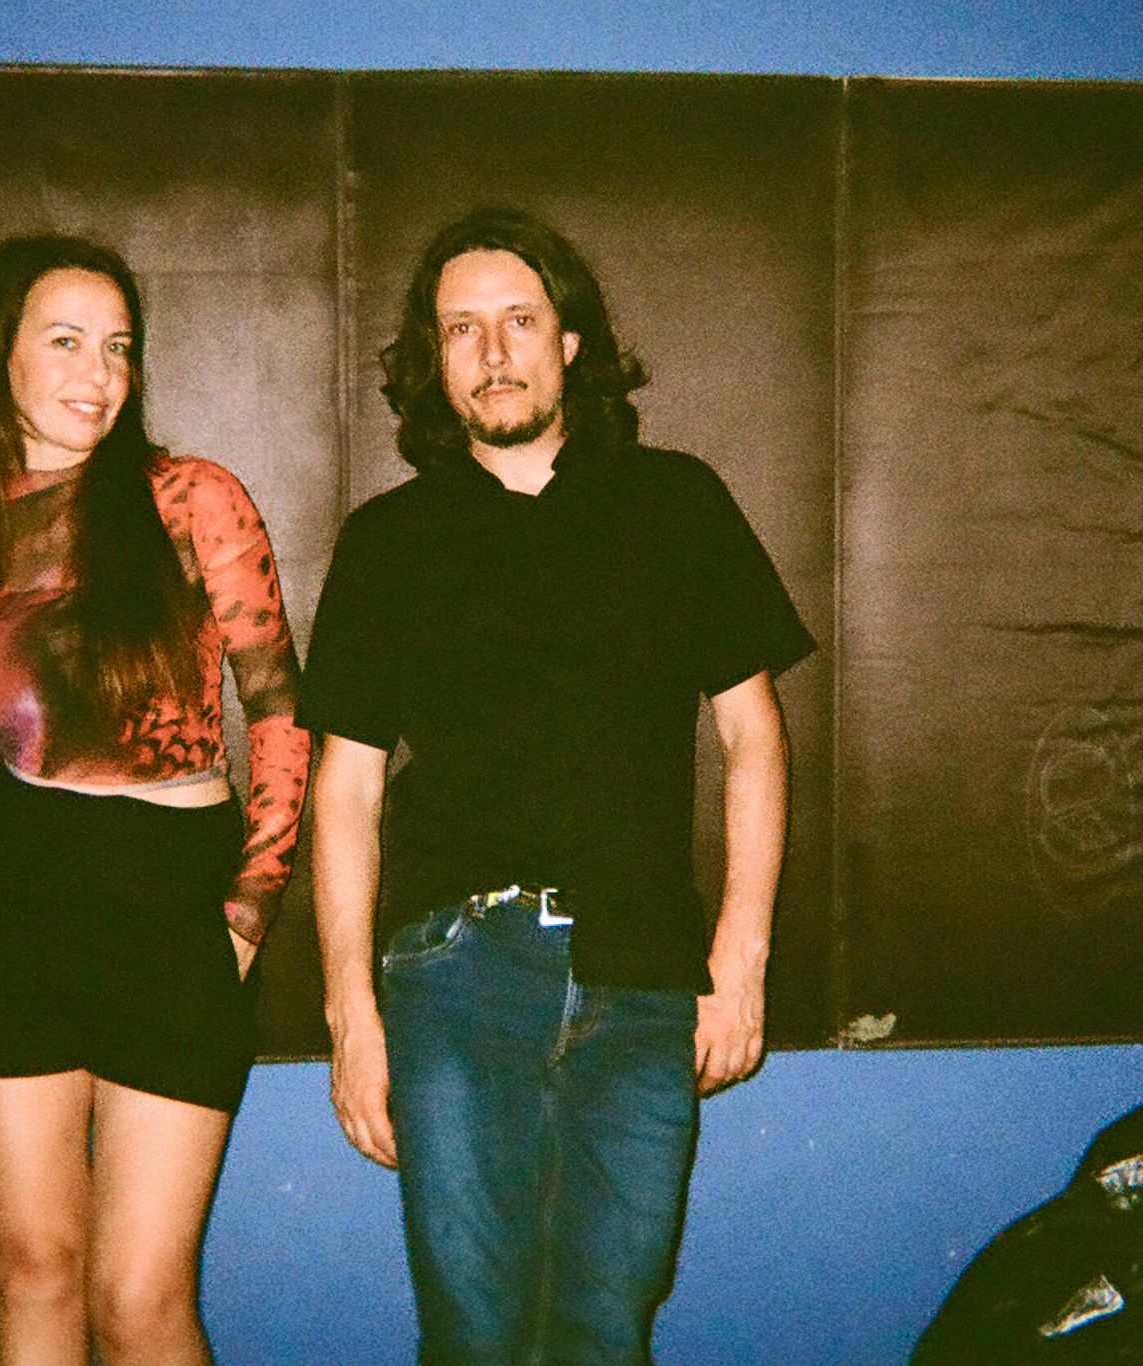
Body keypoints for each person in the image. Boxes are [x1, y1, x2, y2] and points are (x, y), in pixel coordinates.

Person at [299, 205, 815, 1364]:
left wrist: (739, 959)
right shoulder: (388, 540)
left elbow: (752, 736)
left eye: (518, 320)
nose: (492, 351)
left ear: (568, 342)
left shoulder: (675, 502)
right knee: (473, 1337)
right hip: (454, 977)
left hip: (643, 976)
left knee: (604, 1332)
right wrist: (349, 1015)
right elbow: (344, 790)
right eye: (461, 329)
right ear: (433, 361)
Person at [0, 234, 310, 1365]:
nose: (98, 373)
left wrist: (250, 906)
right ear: (0, 357)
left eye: (118, 347)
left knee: (140, 1298)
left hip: (171, 894)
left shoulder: (191, 498)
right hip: (12, 892)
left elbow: (279, 707)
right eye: (66, 341)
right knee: (31, 1268)